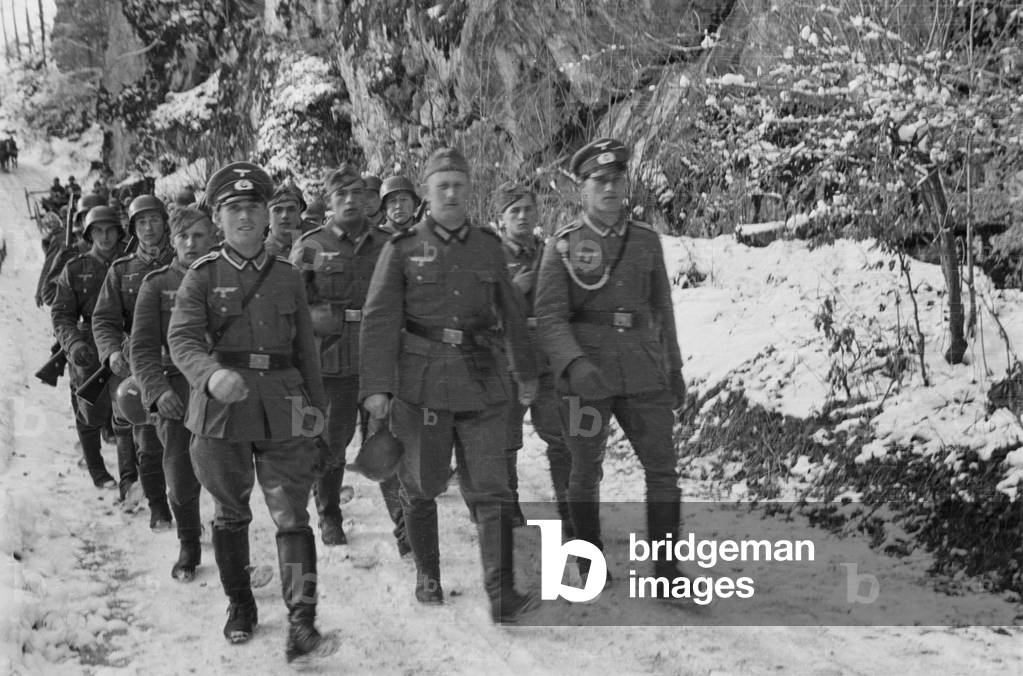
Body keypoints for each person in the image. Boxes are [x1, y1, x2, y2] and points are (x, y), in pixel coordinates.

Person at [359, 147, 540, 623]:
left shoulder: (487, 246)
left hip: (482, 383)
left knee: (491, 487)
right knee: (420, 485)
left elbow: (512, 314)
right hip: (422, 389)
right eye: (443, 186)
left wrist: (525, 370)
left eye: (460, 184)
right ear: (429, 194)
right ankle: (428, 575)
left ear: (469, 188)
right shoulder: (401, 249)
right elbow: (378, 321)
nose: (453, 193)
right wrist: (377, 387)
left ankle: (502, 592)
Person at [168, 161, 336, 662]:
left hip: (285, 408)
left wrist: (318, 419)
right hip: (222, 413)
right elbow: (180, 339)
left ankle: (302, 623)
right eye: (233, 209)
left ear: (267, 216)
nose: (245, 217)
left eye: (253, 208)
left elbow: (307, 353)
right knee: (231, 513)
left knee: (293, 517)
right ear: (218, 219)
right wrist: (210, 374)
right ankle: (240, 604)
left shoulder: (287, 275)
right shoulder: (201, 276)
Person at [533, 137, 687, 583]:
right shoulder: (562, 246)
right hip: (587, 377)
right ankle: (589, 557)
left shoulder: (645, 242)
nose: (610, 188)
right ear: (581, 189)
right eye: (599, 181)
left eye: (617, 179)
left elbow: (662, 309)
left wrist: (673, 367)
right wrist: (576, 367)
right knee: (584, 472)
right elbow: (550, 317)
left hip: (643, 371)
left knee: (662, 470)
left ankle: (667, 569)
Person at [290, 165, 408, 555]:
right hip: (332, 363)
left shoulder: (389, 243)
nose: (351, 201)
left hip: (380, 362)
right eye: (341, 194)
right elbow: (288, 306)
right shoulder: (310, 245)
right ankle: (329, 514)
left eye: (357, 193)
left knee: (386, 441)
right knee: (332, 444)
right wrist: (313, 317)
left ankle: (404, 523)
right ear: (328, 200)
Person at [130, 207, 214, 580]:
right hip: (175, 388)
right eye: (183, 237)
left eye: (199, 235)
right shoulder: (156, 284)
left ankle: (231, 545)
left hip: (218, 386)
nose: (191, 243)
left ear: (212, 236)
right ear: (173, 241)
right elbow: (143, 348)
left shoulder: (226, 276)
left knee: (226, 472)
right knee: (180, 476)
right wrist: (157, 390)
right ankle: (189, 543)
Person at [92, 196, 175, 525]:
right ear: (133, 228)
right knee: (148, 443)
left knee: (186, 445)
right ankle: (159, 509)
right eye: (141, 222)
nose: (148, 227)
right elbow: (104, 320)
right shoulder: (122, 270)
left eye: (154, 219)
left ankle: (186, 511)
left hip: (182, 364)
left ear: (164, 223)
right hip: (140, 365)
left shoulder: (184, 262)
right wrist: (112, 351)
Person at [494, 181, 572, 532]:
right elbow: (476, 311)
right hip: (508, 361)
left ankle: (568, 506)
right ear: (502, 219)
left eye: (528, 209)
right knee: (505, 440)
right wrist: (513, 292)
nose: (522, 216)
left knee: (561, 436)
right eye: (514, 211)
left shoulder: (552, 252)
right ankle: (508, 506)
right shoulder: (491, 256)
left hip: (548, 360)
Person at [51, 207, 125, 490]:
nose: (105, 237)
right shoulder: (76, 268)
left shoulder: (129, 263)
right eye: (98, 231)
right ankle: (97, 468)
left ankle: (133, 473)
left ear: (119, 232)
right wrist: (74, 342)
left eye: (110, 230)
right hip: (89, 347)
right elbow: (61, 314)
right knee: (91, 410)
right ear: (90, 234)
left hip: (124, 342)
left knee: (130, 406)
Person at [265, 183, 306, 258]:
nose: (285, 215)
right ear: (267, 217)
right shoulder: (258, 255)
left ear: (298, 215)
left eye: (291, 209)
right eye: (278, 210)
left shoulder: (310, 249)